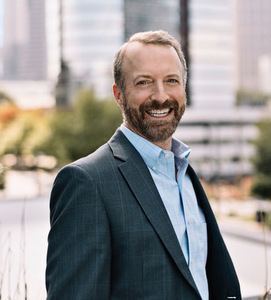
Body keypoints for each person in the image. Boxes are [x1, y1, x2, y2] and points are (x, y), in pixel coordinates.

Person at [46, 30, 241, 300]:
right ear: (119, 95)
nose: (161, 96)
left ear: (183, 88)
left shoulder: (185, 174)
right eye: (144, 82)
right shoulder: (87, 182)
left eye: (171, 80)